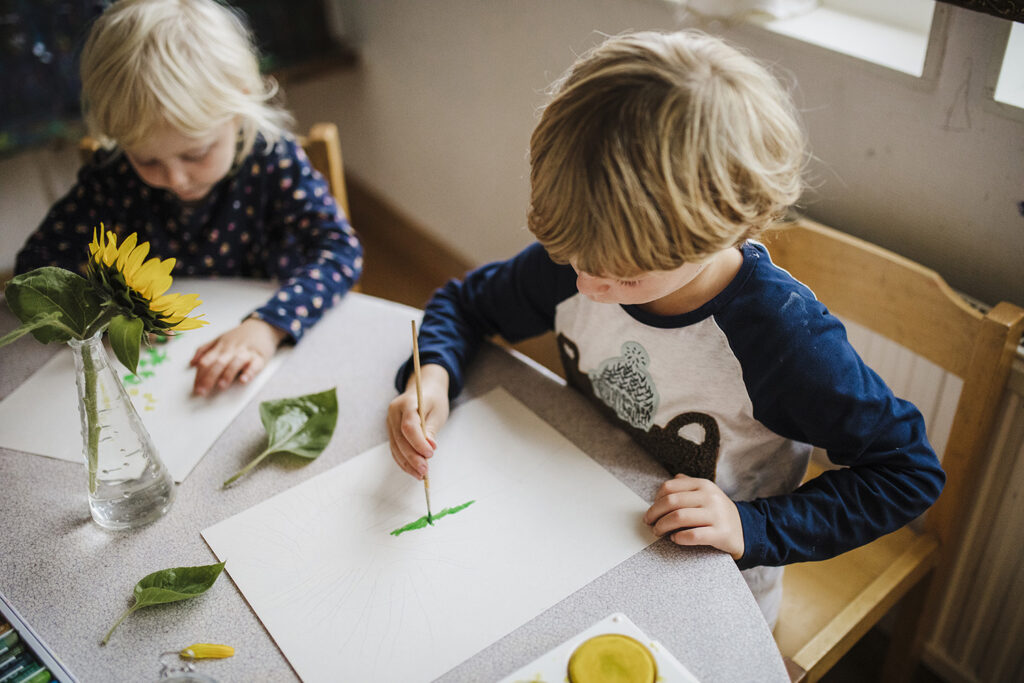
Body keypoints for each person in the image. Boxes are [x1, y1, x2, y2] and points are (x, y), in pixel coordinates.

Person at [385, 30, 944, 628]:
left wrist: (751, 525)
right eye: (573, 259)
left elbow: (907, 473)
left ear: (722, 232)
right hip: (578, 520)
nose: (588, 286)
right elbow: (469, 304)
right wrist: (435, 375)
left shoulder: (784, 338)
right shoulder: (591, 252)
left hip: (710, 583)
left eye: (625, 279)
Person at [15, 0, 362, 396]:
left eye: (195, 154)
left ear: (239, 106)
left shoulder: (273, 161)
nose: (176, 178)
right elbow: (36, 267)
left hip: (260, 353)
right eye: (146, 160)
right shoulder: (112, 176)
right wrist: (99, 312)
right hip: (155, 370)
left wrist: (268, 326)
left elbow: (339, 251)